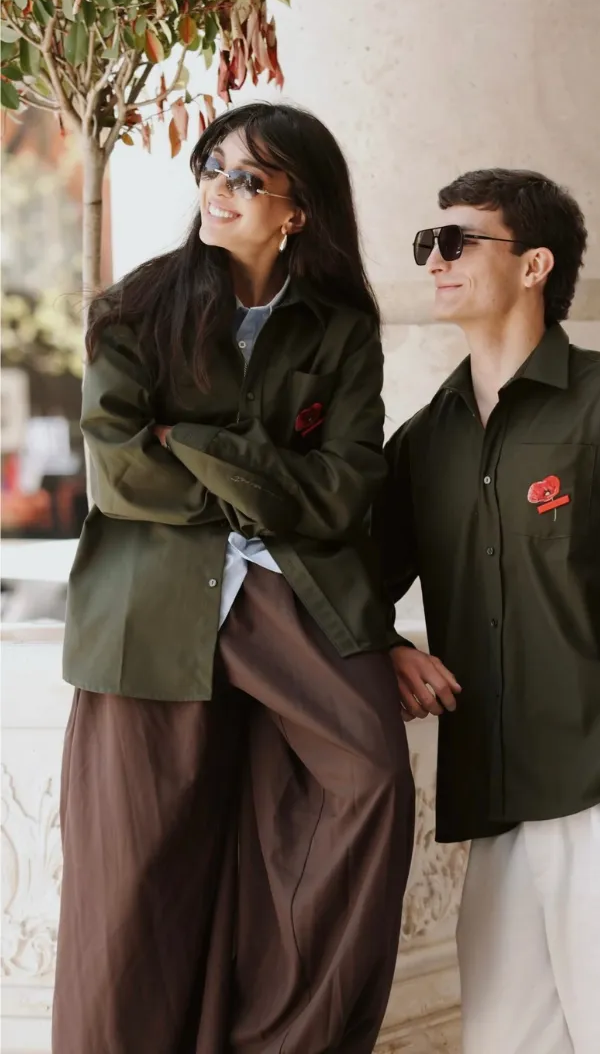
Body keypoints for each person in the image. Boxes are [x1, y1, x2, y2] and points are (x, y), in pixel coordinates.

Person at [53, 102, 415, 1054]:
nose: (219, 189)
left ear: (299, 209)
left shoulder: (342, 332)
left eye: (247, 178)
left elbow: (347, 488)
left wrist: (194, 443)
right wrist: (269, 485)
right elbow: (119, 474)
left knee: (371, 780)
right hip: (148, 618)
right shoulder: (137, 307)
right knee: (132, 886)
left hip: (291, 596)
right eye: (212, 166)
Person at [377, 169, 600, 1054]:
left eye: (458, 241)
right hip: (498, 810)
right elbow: (352, 579)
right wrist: (383, 645)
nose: (436, 260)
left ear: (534, 264)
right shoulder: (426, 441)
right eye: (429, 243)